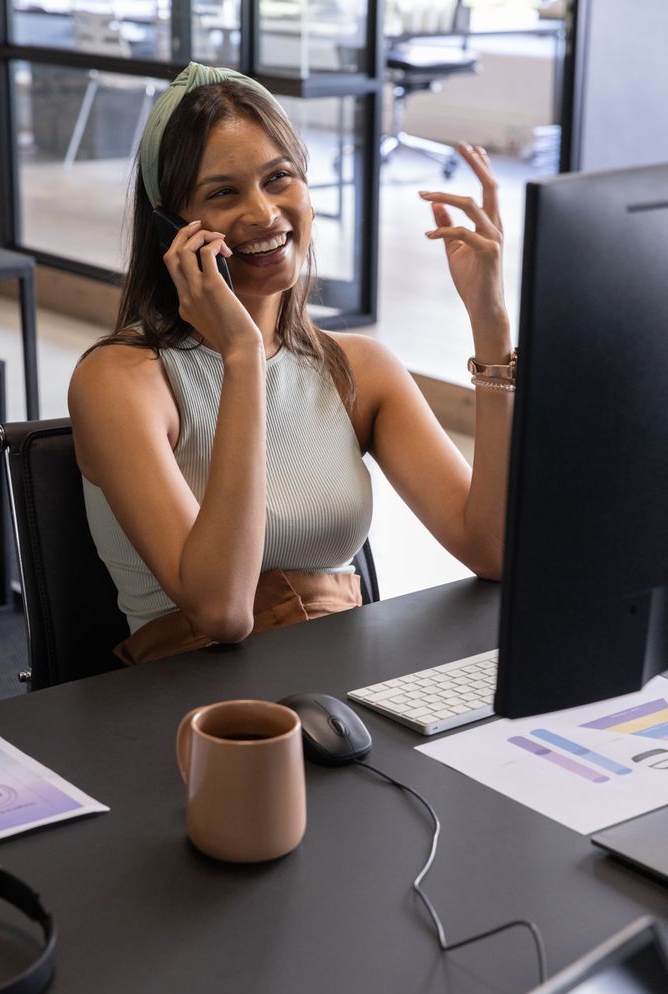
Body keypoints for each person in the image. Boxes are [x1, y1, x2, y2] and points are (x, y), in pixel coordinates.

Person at [68, 61, 515, 665]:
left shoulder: (359, 368)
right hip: (189, 701)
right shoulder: (120, 381)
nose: (263, 214)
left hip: (342, 677)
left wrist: (490, 326)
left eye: (279, 178)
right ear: (170, 225)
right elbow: (222, 612)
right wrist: (242, 355)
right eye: (223, 192)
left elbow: (492, 550)